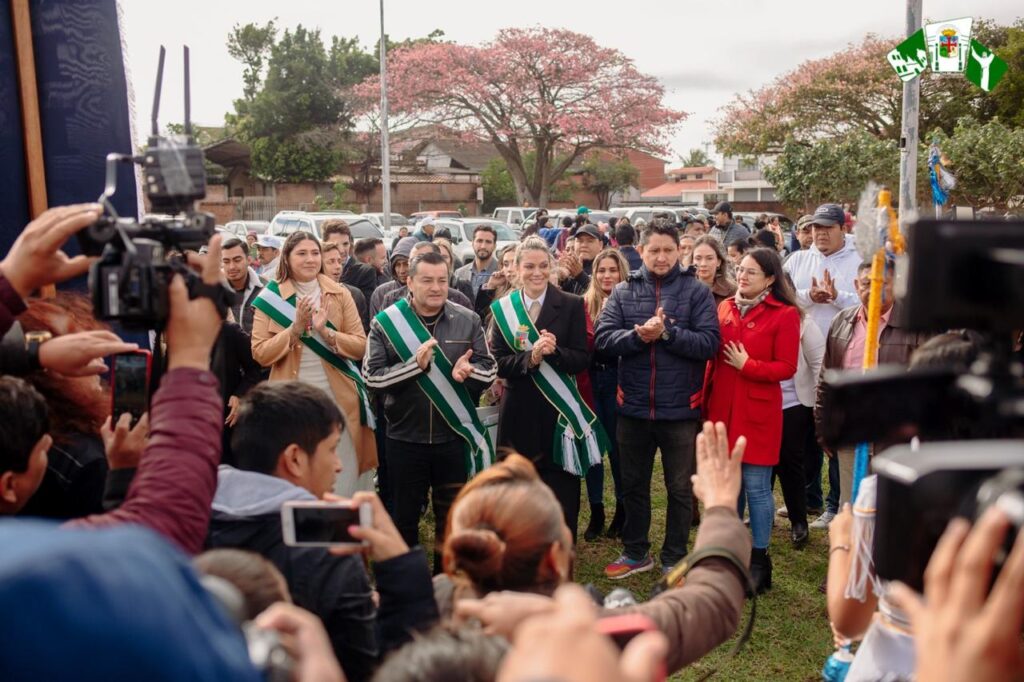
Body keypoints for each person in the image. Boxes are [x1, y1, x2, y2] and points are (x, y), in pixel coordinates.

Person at [438, 421, 751, 677]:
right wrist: (721, 505)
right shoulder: (597, 637)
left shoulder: (413, 619)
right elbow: (713, 601)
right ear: (555, 558)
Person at [206, 382, 437, 681]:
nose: (339, 466)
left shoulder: (187, 520)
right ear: (295, 459)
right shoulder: (330, 547)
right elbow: (378, 667)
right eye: (332, 449)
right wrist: (401, 574)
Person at [595, 221, 720, 578]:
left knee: (680, 488)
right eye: (654, 250)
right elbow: (604, 341)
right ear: (642, 251)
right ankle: (636, 551)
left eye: (668, 250)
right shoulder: (623, 291)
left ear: (679, 251)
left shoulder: (696, 292)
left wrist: (667, 333)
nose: (661, 257)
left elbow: (709, 343)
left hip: (680, 408)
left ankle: (675, 555)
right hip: (632, 407)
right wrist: (638, 337)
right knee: (633, 484)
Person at [364, 250, 496, 572]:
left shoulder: (468, 319)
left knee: (450, 517)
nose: (436, 287)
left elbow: (489, 370)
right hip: (404, 438)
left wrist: (469, 374)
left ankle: (446, 582)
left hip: (453, 438)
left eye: (442, 280)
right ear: (409, 281)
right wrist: (414, 367)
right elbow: (371, 378)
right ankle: (405, 582)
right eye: (427, 280)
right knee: (404, 518)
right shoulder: (386, 323)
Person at [251, 231, 377, 497]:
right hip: (290, 402)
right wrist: (294, 330)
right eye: (302, 253)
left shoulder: (339, 293)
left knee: (339, 476)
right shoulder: (270, 297)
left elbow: (360, 345)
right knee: (294, 476)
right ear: (286, 257)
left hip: (338, 399)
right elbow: (260, 353)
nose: (310, 259)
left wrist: (327, 333)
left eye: (314, 253)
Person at [490, 236, 600, 541]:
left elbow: (581, 359)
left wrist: (555, 352)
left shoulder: (572, 304)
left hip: (558, 414)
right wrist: (532, 357)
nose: (536, 273)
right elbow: (498, 363)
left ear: (551, 267)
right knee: (517, 487)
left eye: (542, 265)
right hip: (518, 412)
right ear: (515, 269)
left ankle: (562, 551)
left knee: (561, 490)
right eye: (528, 266)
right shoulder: (502, 309)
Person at [704, 247, 800, 593]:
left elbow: (787, 367)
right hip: (722, 410)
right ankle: (730, 554)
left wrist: (750, 367)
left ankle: (759, 559)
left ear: (770, 279)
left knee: (758, 487)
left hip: (758, 413)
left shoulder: (785, 314)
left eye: (751, 272)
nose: (742, 276)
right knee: (731, 489)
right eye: (740, 269)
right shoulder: (725, 306)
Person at [812, 259, 928, 520]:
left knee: (891, 512)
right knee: (851, 508)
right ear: (856, 285)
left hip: (896, 437)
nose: (874, 290)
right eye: (867, 284)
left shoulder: (914, 326)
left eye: (882, 283)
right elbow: (826, 378)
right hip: (851, 430)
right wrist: (823, 426)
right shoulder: (843, 321)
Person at [783, 203, 863, 528]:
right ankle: (809, 497)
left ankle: (834, 504)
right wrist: (808, 296)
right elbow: (783, 295)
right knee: (806, 428)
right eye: (815, 227)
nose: (820, 234)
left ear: (843, 228)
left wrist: (836, 296)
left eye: (827, 228)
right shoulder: (799, 259)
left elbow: (873, 300)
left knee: (835, 428)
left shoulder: (860, 259)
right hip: (803, 357)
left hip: (845, 357)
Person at [15, 295, 116, 520]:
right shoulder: (88, 461)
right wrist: (127, 473)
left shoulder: (15, 431)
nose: (101, 361)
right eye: (80, 349)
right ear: (46, 368)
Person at [582, 248, 630, 539]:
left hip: (616, 381)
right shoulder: (583, 304)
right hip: (590, 380)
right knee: (592, 448)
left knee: (617, 448)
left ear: (621, 272)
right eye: (602, 271)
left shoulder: (629, 302)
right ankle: (596, 509)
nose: (607, 275)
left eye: (613, 270)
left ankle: (622, 508)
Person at [773, 294, 825, 548]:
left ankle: (799, 520)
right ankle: (763, 513)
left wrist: (818, 410)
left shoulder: (805, 324)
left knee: (790, 461)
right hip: (760, 400)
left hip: (793, 402)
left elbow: (818, 367)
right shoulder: (753, 318)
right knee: (761, 462)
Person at [377, 242, 474, 314]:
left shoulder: (459, 301)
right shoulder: (391, 300)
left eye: (422, 259)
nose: (415, 265)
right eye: (411, 260)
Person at [323, 220, 378, 306]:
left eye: (345, 244)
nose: (341, 250)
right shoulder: (317, 270)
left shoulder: (364, 272)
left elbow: (364, 310)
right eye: (335, 245)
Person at [322, 241, 370, 332]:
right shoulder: (309, 294)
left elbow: (362, 336)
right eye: (331, 262)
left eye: (339, 262)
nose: (338, 267)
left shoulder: (355, 294)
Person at [221, 237, 265, 336]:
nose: (232, 266)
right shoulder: (213, 289)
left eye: (237, 260)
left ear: (249, 260)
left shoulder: (265, 289)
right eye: (226, 261)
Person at [453, 223, 498, 300]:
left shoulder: (501, 273)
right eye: (479, 241)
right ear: (473, 243)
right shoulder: (460, 273)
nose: (483, 246)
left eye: (488, 242)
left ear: (494, 246)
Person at [558, 224, 603, 296]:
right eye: (580, 241)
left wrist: (580, 276)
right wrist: (561, 279)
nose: (584, 245)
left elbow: (604, 294)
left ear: (600, 245)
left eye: (590, 241)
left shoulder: (606, 266)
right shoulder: (568, 266)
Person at [691, 235, 737, 306]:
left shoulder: (732, 291)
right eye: (698, 258)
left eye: (709, 258)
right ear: (692, 261)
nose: (703, 264)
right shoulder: (682, 288)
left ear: (719, 261)